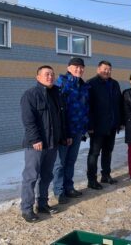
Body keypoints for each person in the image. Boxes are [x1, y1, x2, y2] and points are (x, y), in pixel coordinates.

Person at [20, 65, 70, 222]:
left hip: (52, 143)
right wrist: (35, 139)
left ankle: (42, 204)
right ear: (38, 77)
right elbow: (28, 121)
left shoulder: (57, 94)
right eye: (46, 74)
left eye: (52, 74)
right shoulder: (30, 95)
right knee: (31, 176)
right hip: (36, 145)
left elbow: (62, 119)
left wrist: (64, 136)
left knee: (47, 175)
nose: (50, 77)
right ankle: (27, 209)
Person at [52, 57, 90, 204]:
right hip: (64, 130)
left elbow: (85, 108)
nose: (78, 69)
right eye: (75, 66)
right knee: (60, 162)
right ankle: (59, 191)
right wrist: (63, 131)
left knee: (71, 161)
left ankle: (69, 187)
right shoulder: (62, 84)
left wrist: (85, 127)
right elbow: (58, 110)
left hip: (77, 130)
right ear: (69, 68)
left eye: (81, 67)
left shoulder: (83, 86)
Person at [86, 60, 123, 190]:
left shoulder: (114, 84)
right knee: (94, 153)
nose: (106, 71)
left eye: (109, 69)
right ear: (98, 69)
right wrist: (89, 126)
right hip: (97, 127)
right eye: (104, 69)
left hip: (111, 126)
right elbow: (87, 107)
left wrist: (119, 122)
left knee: (108, 152)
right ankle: (91, 179)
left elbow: (118, 104)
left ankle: (106, 175)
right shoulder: (91, 84)